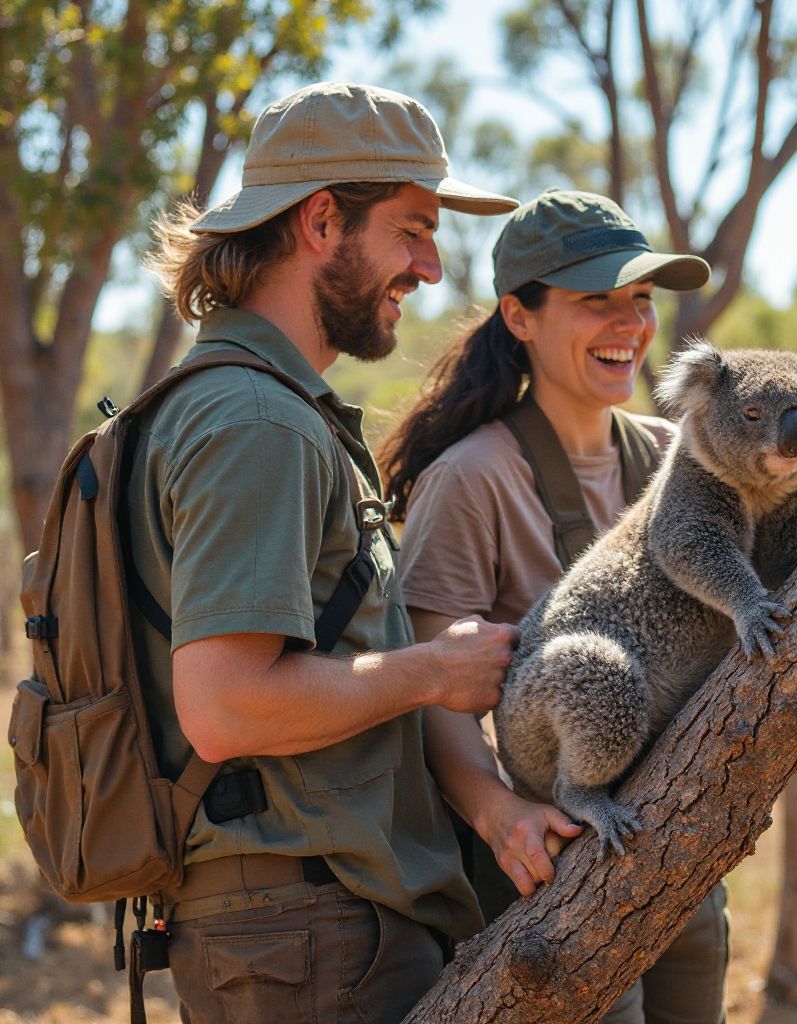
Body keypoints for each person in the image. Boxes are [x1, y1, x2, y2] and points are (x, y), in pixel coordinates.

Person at [380, 188, 797, 1024]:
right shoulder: (470, 476)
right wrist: (502, 817)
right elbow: (434, 695)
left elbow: (794, 603)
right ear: (520, 316)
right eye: (595, 301)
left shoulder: (678, 445)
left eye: (641, 301)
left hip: (677, 836)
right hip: (549, 848)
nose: (628, 324)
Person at [135, 82, 523, 1024]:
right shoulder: (258, 421)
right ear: (320, 222)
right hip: (307, 937)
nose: (431, 268)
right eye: (412, 231)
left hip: (297, 925)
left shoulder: (247, 403)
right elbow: (226, 706)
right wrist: (434, 671)